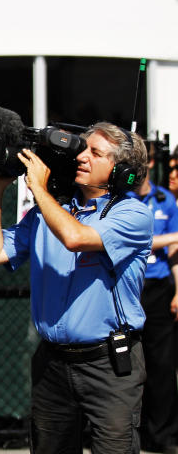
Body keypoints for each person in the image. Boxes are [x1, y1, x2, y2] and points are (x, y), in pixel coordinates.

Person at [0, 122, 153, 453]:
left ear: (122, 170)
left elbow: (76, 238)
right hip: (52, 362)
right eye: (82, 149)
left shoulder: (133, 214)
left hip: (108, 364)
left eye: (95, 153)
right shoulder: (52, 211)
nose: (82, 157)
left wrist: (39, 190)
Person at [130, 145, 178, 452]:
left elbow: (173, 255)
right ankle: (136, 434)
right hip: (131, 290)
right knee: (132, 365)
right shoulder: (122, 201)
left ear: (149, 162)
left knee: (162, 366)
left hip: (159, 290)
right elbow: (135, 243)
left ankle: (164, 437)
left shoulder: (165, 200)